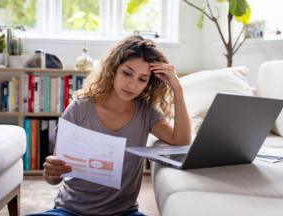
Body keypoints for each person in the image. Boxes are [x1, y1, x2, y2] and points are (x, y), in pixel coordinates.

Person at [30, 36, 191, 216]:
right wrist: (52, 173)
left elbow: (181, 140)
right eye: (127, 73)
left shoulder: (146, 113)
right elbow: (54, 177)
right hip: (71, 211)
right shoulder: (80, 108)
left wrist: (178, 89)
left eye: (142, 79)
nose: (132, 84)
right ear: (114, 69)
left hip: (124, 213)